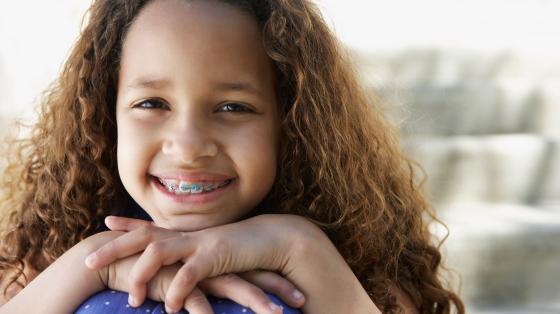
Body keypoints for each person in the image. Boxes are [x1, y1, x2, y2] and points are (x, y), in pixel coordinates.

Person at [0, 0, 465, 313]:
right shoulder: (45, 256)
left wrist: (298, 247)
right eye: (152, 104)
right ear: (106, 118)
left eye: (233, 108)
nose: (187, 145)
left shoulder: (358, 268)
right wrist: (96, 262)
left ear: (292, 124)